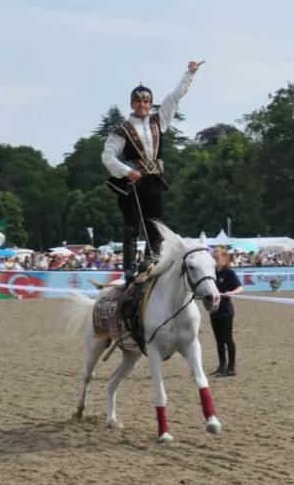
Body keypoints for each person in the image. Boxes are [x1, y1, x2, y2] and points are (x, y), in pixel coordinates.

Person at [102, 60, 204, 284]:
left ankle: (151, 261)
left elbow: (174, 97)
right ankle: (129, 268)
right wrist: (126, 171)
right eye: (138, 101)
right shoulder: (122, 129)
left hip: (154, 180)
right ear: (132, 103)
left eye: (146, 101)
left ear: (151, 103)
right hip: (132, 181)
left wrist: (190, 73)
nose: (143, 105)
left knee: (157, 224)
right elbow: (107, 156)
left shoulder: (159, 121)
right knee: (132, 225)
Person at [211, 246, 243, 377]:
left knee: (227, 339)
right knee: (218, 341)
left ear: (224, 258)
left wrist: (232, 292)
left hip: (226, 312)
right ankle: (221, 365)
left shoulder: (229, 273)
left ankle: (231, 367)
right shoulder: (211, 273)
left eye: (217, 257)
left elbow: (240, 287)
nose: (215, 260)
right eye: (213, 258)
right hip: (214, 311)